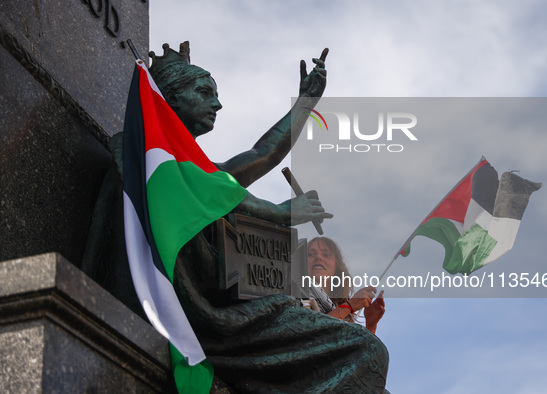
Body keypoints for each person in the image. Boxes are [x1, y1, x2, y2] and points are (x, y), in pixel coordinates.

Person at [83, 42, 389, 393]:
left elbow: (263, 154)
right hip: (207, 321)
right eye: (204, 92)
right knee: (367, 352)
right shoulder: (155, 166)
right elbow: (232, 199)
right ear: (170, 99)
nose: (217, 104)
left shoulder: (198, 172)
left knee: (367, 362)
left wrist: (307, 100)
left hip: (223, 312)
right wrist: (281, 213)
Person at [307, 237, 386, 334]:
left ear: (337, 266)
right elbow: (308, 333)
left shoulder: (342, 313)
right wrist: (350, 306)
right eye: (310, 254)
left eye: (326, 254)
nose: (318, 257)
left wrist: (371, 325)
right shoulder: (294, 296)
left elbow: (357, 348)